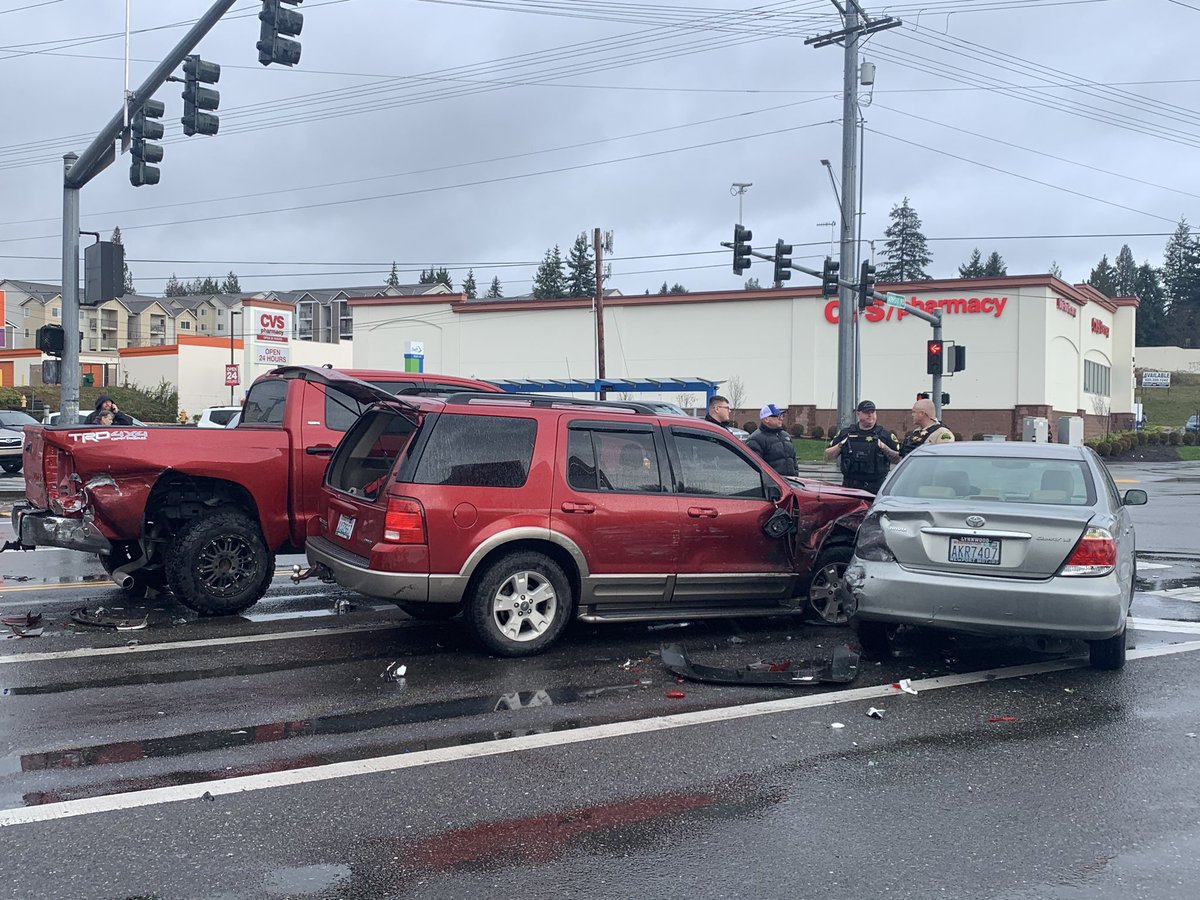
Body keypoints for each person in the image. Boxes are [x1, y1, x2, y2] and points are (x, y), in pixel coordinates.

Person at [825, 400, 900, 494]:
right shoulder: (846, 433)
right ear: (858, 414)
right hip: (850, 486)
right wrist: (841, 445)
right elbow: (828, 455)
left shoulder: (885, 435)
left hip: (876, 487)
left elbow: (898, 459)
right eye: (866, 412)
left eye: (872, 412)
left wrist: (884, 447)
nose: (870, 415)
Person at [746, 403, 798, 476]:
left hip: (790, 483)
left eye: (782, 416)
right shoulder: (755, 440)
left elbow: (793, 460)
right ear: (766, 419)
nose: (781, 418)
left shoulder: (786, 436)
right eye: (778, 416)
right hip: (771, 485)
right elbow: (755, 467)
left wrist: (795, 475)